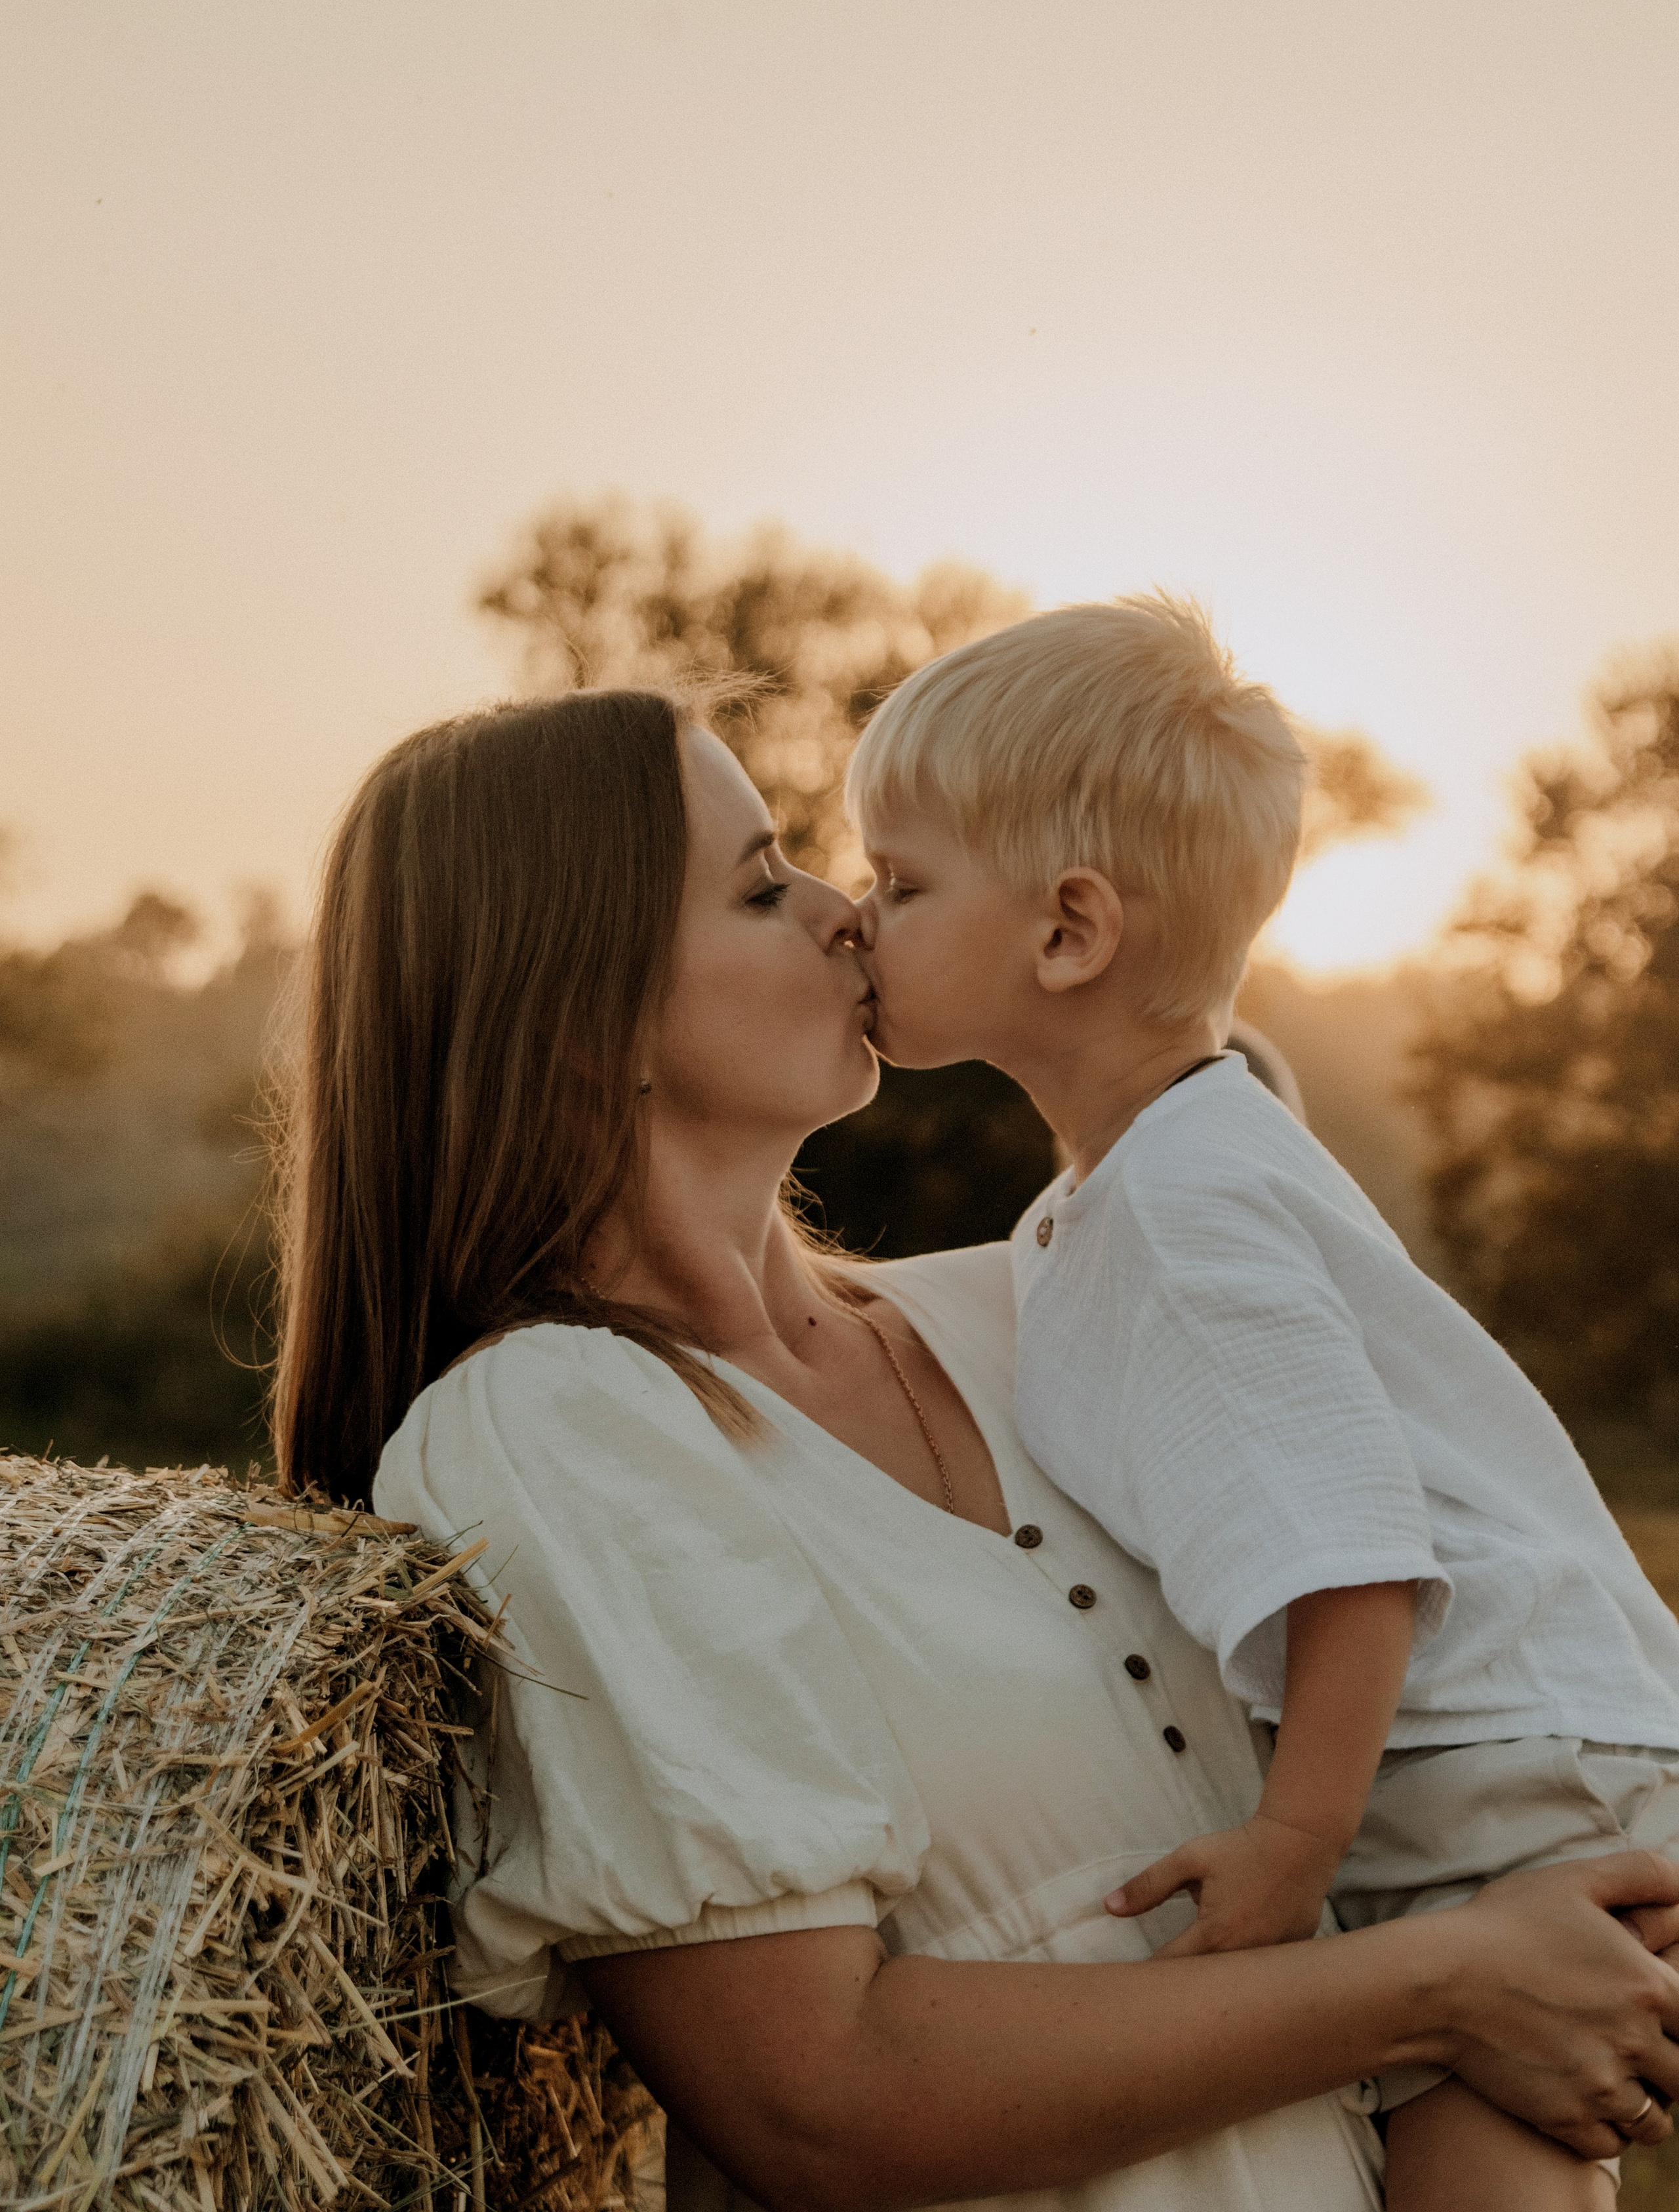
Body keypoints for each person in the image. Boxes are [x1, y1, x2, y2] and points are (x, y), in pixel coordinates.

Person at [271, 688, 1679, 2212]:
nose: (839, 916)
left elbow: (1431, 1679)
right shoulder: (555, 1428)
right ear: (577, 1013)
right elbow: (821, 2098)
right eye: (760, 887)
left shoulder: (1045, 1304)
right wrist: (1446, 1984)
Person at [846, 595, 1679, 2209]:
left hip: (1501, 1765)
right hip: (1483, 1753)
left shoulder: (1181, 1213)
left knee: (1478, 2161)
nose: (856, 918)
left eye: (899, 883)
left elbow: (1352, 1556)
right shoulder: (1162, 1171)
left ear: (1067, 933)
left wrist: (1290, 1852)